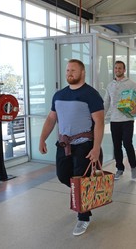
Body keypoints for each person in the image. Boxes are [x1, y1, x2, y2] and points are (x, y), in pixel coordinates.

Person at [38, 59, 104, 236]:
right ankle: (84, 197)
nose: (69, 73)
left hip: (85, 145)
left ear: (82, 73)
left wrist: (96, 148)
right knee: (63, 176)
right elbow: (51, 119)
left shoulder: (91, 94)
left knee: (80, 181)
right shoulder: (59, 95)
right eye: (67, 70)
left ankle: (83, 218)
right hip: (64, 144)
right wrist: (42, 139)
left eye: (73, 70)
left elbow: (99, 122)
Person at [104, 60, 136, 181]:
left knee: (127, 143)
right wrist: (101, 117)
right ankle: (120, 168)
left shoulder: (131, 84)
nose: (117, 70)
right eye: (116, 68)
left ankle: (133, 166)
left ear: (124, 70)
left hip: (127, 119)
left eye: (120, 68)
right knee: (116, 146)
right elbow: (106, 102)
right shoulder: (110, 85)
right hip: (114, 120)